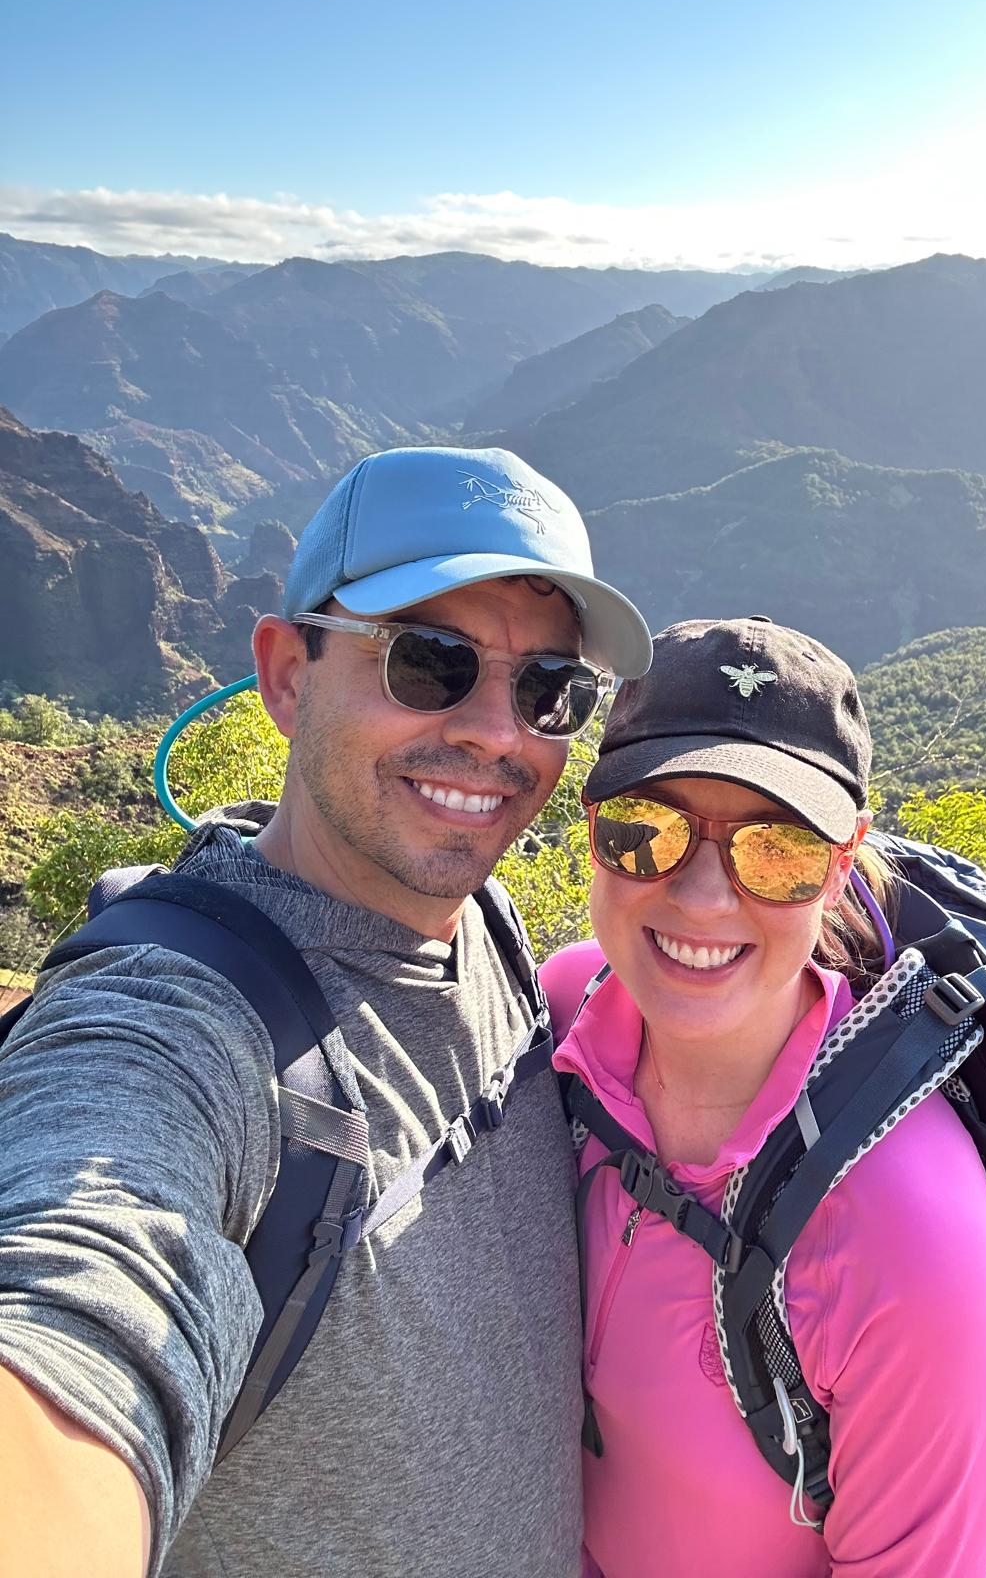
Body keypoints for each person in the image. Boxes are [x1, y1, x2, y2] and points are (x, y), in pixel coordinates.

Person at [0, 446, 652, 1578]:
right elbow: (85, 1281)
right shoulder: (184, 1028)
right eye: (429, 661)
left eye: (549, 689)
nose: (500, 735)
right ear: (287, 674)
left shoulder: (486, 923)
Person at [541, 617, 986, 1578]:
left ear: (843, 863)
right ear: (590, 832)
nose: (706, 899)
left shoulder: (907, 1237)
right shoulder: (562, 1014)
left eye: (778, 849)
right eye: (649, 829)